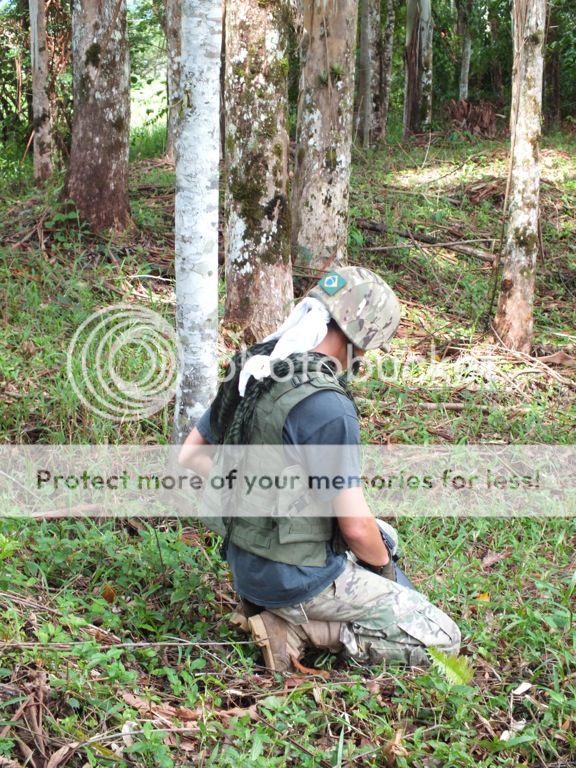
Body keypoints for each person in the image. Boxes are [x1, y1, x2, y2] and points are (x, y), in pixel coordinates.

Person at [179, 266, 461, 672]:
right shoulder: (327, 405)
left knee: (386, 534)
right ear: (360, 340)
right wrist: (384, 572)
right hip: (293, 577)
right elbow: (355, 528)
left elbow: (191, 456)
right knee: (442, 640)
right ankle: (293, 628)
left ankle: (276, 609)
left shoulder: (253, 367)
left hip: (247, 562)